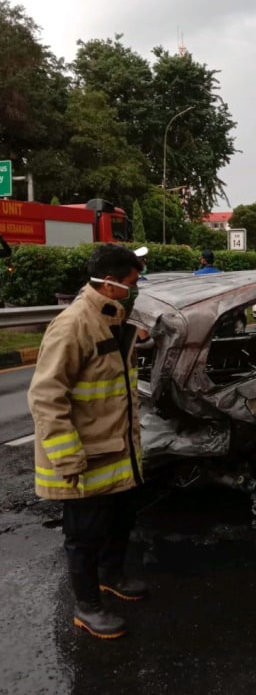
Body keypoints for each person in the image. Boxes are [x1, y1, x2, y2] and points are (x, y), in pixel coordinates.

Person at [28, 244, 145, 640]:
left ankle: (112, 576)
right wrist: (68, 458)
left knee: (118, 521)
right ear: (110, 284)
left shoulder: (108, 316)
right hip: (85, 457)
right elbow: (45, 396)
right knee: (84, 536)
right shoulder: (73, 325)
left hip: (115, 451)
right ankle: (87, 606)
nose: (135, 288)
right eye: (131, 283)